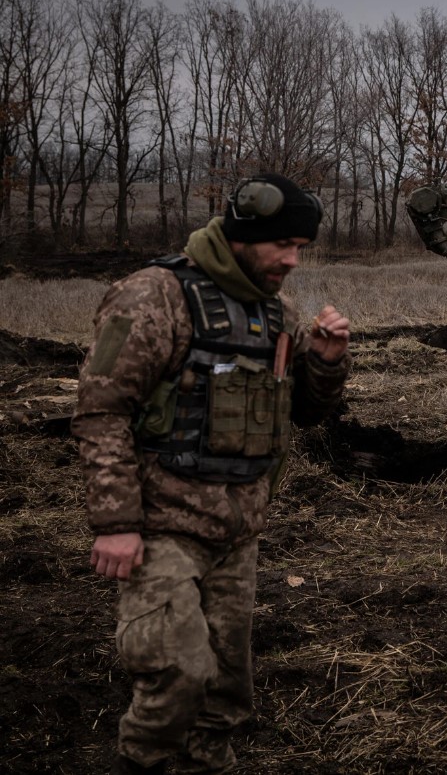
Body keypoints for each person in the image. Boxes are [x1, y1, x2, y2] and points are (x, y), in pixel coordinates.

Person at [73, 174, 352, 775]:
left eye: (302, 248)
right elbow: (101, 411)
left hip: (239, 529)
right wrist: (115, 522)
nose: (293, 260)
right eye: (286, 245)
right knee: (178, 673)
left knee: (225, 692)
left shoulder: (276, 312)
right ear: (248, 234)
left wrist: (327, 363)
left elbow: (306, 414)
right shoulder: (152, 296)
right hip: (160, 525)